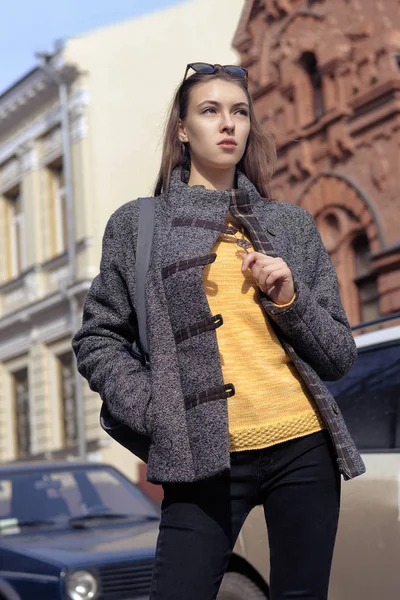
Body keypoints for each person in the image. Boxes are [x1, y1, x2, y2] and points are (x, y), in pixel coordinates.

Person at [72, 62, 366, 600]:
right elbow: (98, 338)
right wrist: (157, 411)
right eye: (210, 111)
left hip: (303, 446)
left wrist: (289, 299)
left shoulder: (290, 224)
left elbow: (339, 356)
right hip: (197, 456)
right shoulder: (138, 225)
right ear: (183, 129)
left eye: (239, 112)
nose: (228, 124)